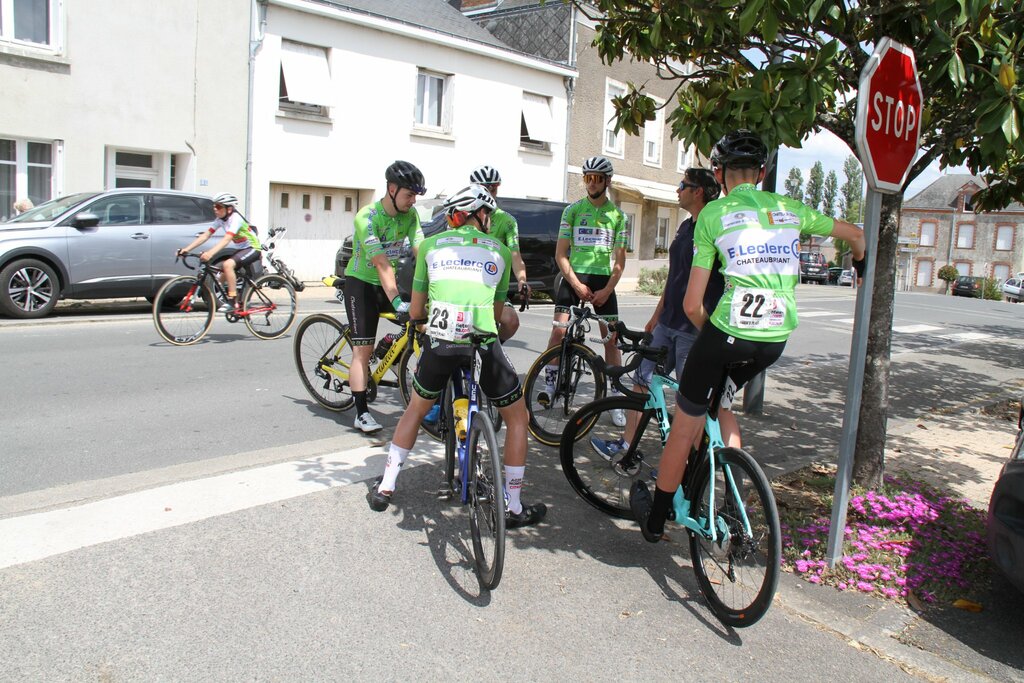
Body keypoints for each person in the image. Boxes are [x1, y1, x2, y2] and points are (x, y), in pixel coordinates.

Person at [629, 129, 867, 543]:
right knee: (720, 406)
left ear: (719, 174)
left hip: (728, 332)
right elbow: (857, 236)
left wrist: (710, 339)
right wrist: (860, 268)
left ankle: (656, 519)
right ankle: (732, 499)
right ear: (761, 173)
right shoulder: (790, 209)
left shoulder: (713, 216)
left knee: (684, 425)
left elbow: (691, 306)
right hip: (774, 341)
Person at [367, 184, 546, 529]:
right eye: (488, 215)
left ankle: (386, 487)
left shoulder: (430, 246)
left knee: (416, 409)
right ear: (480, 215)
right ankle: (513, 506)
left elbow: (416, 310)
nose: (490, 220)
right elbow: (497, 314)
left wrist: (424, 321)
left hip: (441, 342)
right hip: (482, 343)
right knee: (517, 418)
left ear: (455, 217)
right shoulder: (499, 251)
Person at [590, 167, 725, 462]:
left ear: (698, 192)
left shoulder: (714, 228)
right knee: (642, 378)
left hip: (693, 329)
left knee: (690, 400)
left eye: (682, 185)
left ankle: (689, 468)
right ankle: (627, 447)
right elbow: (675, 277)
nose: (677, 190)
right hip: (667, 323)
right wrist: (656, 315)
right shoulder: (686, 226)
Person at [421, 164, 528, 427]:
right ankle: (438, 399)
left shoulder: (506, 220)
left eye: (494, 187)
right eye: (485, 187)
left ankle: (486, 358)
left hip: (489, 288)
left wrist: (522, 278)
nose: (490, 190)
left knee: (510, 321)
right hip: (460, 284)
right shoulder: (462, 211)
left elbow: (514, 255)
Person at [542, 155, 628, 426]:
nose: (591, 183)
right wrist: (577, 284)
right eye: (588, 178)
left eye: (597, 178)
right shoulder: (573, 211)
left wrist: (607, 290)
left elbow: (620, 262)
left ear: (607, 181)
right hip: (574, 277)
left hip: (603, 280)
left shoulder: (618, 216)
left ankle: (616, 398)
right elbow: (560, 254)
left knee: (611, 340)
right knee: (558, 332)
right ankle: (549, 386)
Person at [344, 160, 426, 434]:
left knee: (419, 323)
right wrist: (397, 301)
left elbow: (421, 251)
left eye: (415, 196)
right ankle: (361, 413)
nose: (413, 201)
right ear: (392, 189)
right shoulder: (367, 217)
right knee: (362, 351)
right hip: (362, 284)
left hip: (387, 282)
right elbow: (381, 263)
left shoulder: (410, 215)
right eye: (409, 195)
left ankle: (389, 347)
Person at [177, 192, 261, 312]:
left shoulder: (235, 219)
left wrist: (210, 253)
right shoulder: (220, 220)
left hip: (253, 248)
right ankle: (240, 300)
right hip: (241, 249)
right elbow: (206, 235)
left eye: (219, 206)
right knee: (220, 276)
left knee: (227, 265)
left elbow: (226, 239)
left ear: (229, 209)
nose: (215, 209)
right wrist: (186, 249)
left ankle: (232, 301)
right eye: (214, 206)